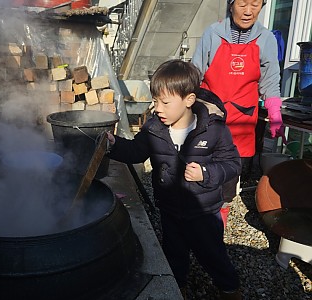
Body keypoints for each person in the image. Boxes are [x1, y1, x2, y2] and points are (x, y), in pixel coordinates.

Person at [107, 59, 242, 299]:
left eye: (165, 102)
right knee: (174, 252)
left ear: (189, 100)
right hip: (170, 208)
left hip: (203, 210)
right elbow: (136, 152)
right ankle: (177, 286)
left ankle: (229, 287)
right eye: (155, 101)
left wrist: (206, 173)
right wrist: (114, 145)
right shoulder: (154, 129)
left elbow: (232, 164)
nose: (157, 108)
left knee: (212, 253)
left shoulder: (213, 129)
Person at [192, 0, 286, 227]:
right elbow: (195, 73)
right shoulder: (213, 33)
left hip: (243, 119)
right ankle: (196, 212)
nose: (248, 11)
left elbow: (270, 82)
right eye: (243, 4)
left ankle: (220, 220)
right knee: (200, 167)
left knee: (230, 174)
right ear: (231, 4)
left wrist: (275, 114)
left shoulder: (266, 39)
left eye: (255, 5)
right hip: (209, 116)